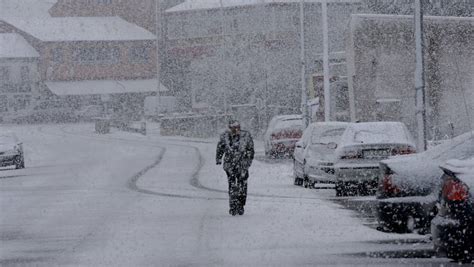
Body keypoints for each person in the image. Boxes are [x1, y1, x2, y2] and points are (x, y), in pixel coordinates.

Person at [216, 119, 254, 216]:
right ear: (229, 128)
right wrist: (218, 158)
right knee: (232, 185)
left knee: (242, 185)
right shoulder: (225, 136)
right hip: (230, 165)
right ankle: (233, 206)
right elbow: (220, 147)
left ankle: (241, 205)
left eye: (237, 128)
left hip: (243, 165)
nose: (235, 130)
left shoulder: (246, 136)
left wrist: (247, 160)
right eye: (233, 128)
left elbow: (251, 149)